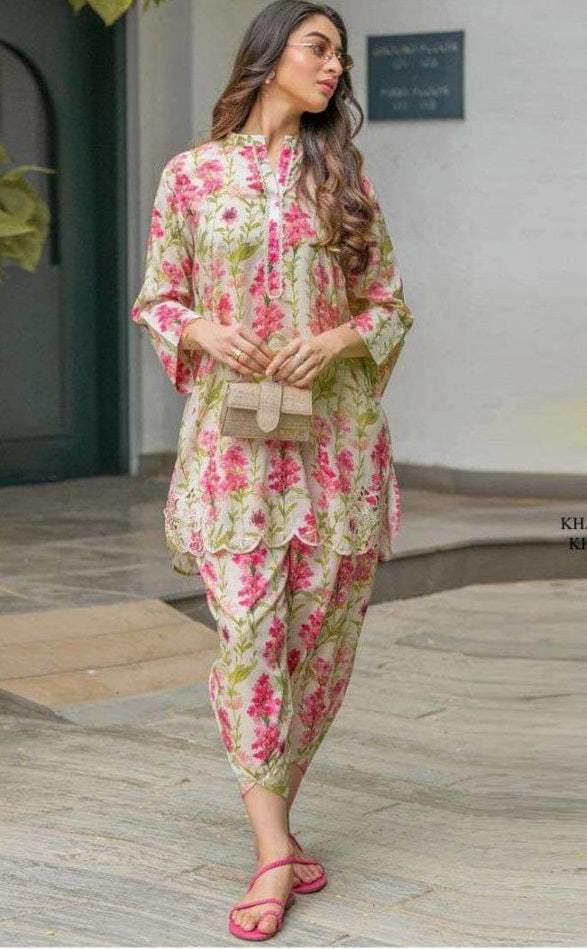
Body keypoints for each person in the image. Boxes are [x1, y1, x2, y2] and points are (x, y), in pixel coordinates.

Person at [131, 0, 415, 939]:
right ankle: (270, 854)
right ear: (268, 54)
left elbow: (388, 307)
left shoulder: (343, 179)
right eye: (318, 48)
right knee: (249, 636)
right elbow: (158, 298)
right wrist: (202, 329)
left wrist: (335, 339)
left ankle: (277, 835)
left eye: (340, 56)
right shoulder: (191, 175)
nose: (334, 68)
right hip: (234, 449)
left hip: (335, 445)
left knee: (319, 645)